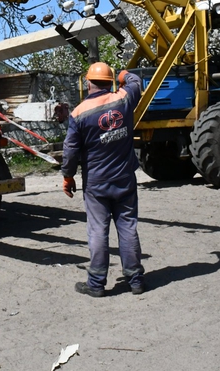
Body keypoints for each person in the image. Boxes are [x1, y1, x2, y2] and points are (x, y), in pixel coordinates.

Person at [61, 62, 146, 297]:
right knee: (128, 227)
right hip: (124, 178)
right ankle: (135, 280)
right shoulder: (124, 99)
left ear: (87, 82)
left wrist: (68, 177)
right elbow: (136, 82)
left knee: (98, 230)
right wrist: (123, 74)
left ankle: (97, 284)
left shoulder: (79, 113)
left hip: (96, 183)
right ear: (109, 82)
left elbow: (70, 150)